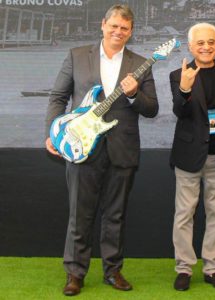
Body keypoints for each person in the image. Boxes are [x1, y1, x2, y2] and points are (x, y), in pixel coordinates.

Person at [45, 4, 158, 296]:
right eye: (114, 26)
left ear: (131, 32)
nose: (118, 32)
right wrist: (53, 133)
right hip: (82, 145)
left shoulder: (141, 63)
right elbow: (58, 97)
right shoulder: (77, 55)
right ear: (103, 25)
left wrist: (134, 94)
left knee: (115, 215)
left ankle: (113, 271)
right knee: (79, 214)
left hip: (122, 148)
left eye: (125, 28)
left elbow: (152, 108)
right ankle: (75, 272)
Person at [169, 23, 215, 291]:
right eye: (200, 43)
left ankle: (213, 268)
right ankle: (184, 268)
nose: (206, 47)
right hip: (188, 156)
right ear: (190, 46)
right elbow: (179, 111)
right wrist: (185, 89)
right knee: (184, 214)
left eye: (211, 42)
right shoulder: (179, 74)